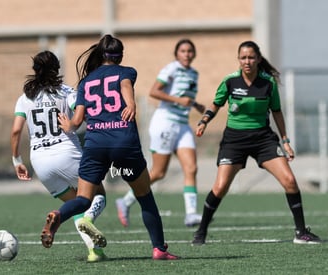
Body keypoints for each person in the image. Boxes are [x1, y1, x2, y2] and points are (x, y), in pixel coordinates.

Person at [42, 34, 179, 260]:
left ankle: (59, 214)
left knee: (83, 200)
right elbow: (125, 88)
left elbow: (76, 122)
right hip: (123, 143)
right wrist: (131, 103)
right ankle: (159, 249)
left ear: (100, 55)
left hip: (95, 146)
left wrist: (69, 125)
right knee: (145, 196)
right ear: (120, 55)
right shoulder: (127, 72)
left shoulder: (86, 82)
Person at [191, 40, 321, 245]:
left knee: (290, 181)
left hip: (263, 139)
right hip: (234, 140)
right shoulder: (230, 81)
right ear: (238, 59)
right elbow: (215, 105)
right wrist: (204, 121)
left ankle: (301, 232)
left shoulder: (268, 83)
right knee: (220, 187)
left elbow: (277, 112)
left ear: (258, 59)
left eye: (251, 57)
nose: (247, 61)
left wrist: (285, 141)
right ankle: (201, 231)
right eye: (243, 57)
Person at [10, 50, 107, 262]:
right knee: (98, 194)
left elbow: (16, 131)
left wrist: (17, 161)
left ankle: (94, 251)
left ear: (35, 71)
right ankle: (89, 219)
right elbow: (83, 115)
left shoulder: (25, 97)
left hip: (40, 162)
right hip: (67, 153)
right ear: (57, 69)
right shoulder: (67, 92)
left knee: (74, 205)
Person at [115, 38, 205, 228]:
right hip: (165, 123)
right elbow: (154, 91)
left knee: (191, 168)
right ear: (176, 54)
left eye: (190, 51)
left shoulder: (193, 73)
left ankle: (191, 214)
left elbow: (185, 97)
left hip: (183, 125)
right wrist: (178, 101)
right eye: (183, 51)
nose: (187, 54)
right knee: (158, 172)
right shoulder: (171, 69)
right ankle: (126, 201)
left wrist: (195, 104)